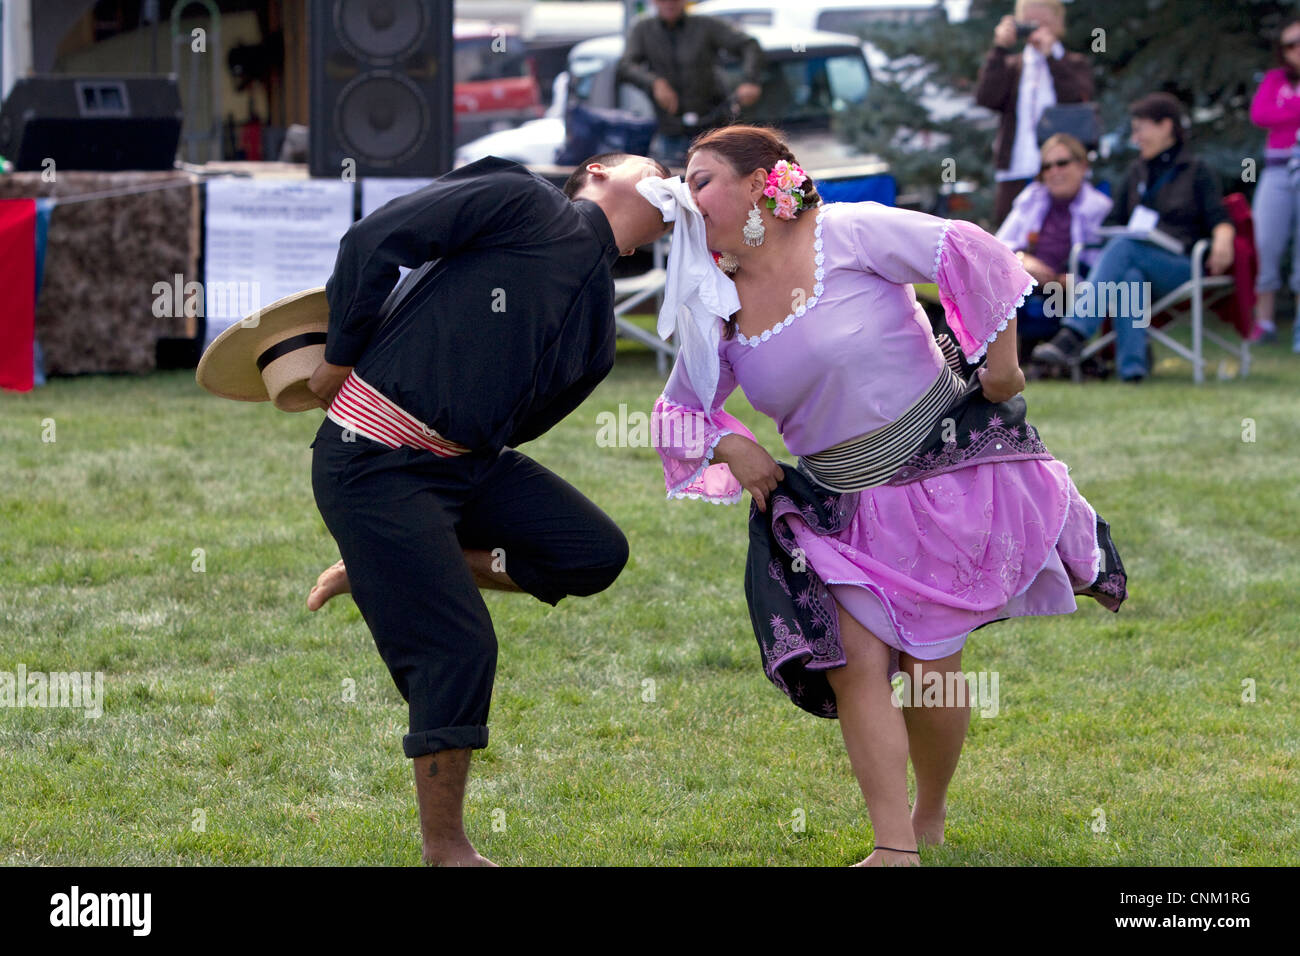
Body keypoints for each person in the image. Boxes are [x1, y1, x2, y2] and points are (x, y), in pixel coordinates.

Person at [648, 126, 1128, 866]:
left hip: (942, 479)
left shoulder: (844, 233)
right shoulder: (717, 307)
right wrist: (730, 442)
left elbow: (969, 249)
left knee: (931, 668)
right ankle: (893, 845)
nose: (690, 194)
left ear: (757, 185)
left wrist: (1000, 372)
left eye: (702, 178)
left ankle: (928, 813)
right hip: (839, 510)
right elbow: (678, 408)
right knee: (854, 661)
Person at [305, 152, 672, 866]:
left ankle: (394, 564)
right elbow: (372, 241)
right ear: (596, 170)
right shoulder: (520, 198)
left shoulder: (600, 323)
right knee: (459, 646)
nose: (667, 180)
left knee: (594, 552)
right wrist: (340, 354)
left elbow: (525, 421)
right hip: (374, 462)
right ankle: (448, 851)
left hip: (463, 470)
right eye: (654, 166)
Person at [1031, 93, 1236, 382]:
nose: (1135, 137)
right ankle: (1133, 370)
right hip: (1138, 259)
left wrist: (1224, 239)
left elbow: (1220, 218)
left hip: (1182, 266)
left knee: (1126, 248)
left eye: (1141, 128)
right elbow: (1114, 221)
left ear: (1166, 126)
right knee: (1130, 274)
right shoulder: (1136, 171)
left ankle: (1073, 334)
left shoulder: (1196, 171)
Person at [975, 0, 1094, 227]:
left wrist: (1051, 58)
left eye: (1043, 24)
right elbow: (986, 98)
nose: (1036, 30)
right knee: (1008, 237)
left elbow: (1078, 99)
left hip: (1061, 169)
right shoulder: (1013, 66)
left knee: (1058, 236)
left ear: (1059, 23)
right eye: (1030, 23)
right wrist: (1000, 48)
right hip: (1016, 168)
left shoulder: (1074, 63)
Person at [996, 133, 1112, 360]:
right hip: (1024, 283)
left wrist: (1069, 279)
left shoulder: (1100, 207)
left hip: (1073, 288)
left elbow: (1104, 263)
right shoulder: (1030, 200)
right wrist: (1022, 260)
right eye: (1047, 166)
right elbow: (997, 245)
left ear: (1082, 166)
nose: (1053, 172)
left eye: (1062, 163)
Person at [617, 0, 763, 167]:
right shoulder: (643, 29)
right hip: (670, 130)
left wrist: (751, 80)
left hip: (712, 127)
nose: (669, 3)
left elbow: (749, 44)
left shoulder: (705, 25)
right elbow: (625, 67)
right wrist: (654, 82)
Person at [1249, 17, 1300, 348]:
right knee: (1265, 241)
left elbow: (1275, 115)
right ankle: (1264, 322)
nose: (1296, 50)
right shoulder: (1274, 79)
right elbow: (1260, 115)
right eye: (1290, 45)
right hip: (1276, 169)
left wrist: (1287, 110)